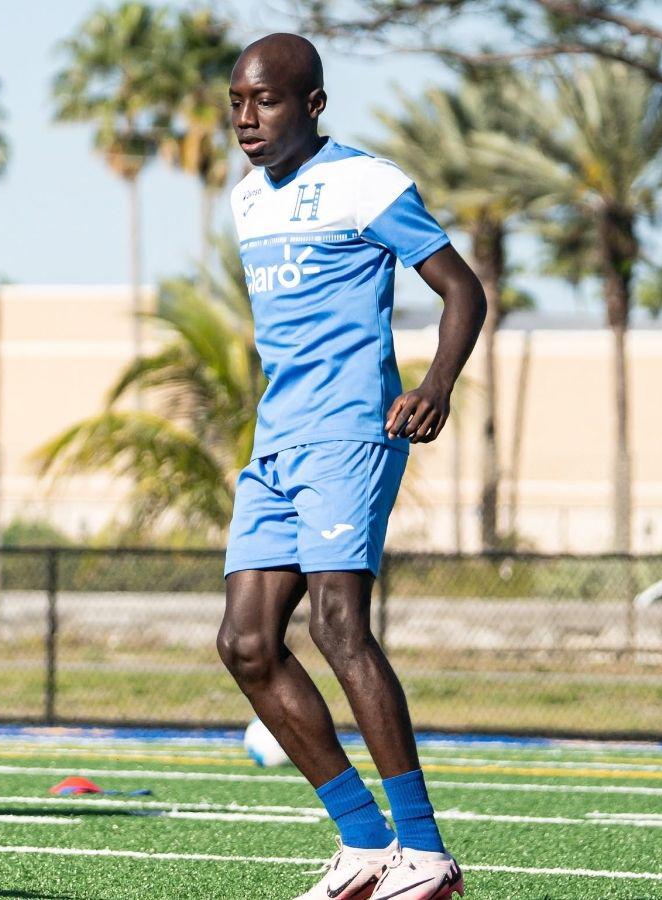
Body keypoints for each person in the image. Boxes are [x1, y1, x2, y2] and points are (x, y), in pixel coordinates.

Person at [217, 32, 486, 900]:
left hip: (349, 435)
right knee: (248, 644)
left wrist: (435, 383)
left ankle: (425, 852)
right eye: (237, 102)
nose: (248, 118)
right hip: (276, 443)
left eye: (266, 100)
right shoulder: (246, 201)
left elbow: (463, 289)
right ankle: (366, 847)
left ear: (313, 104)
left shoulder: (366, 182)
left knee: (338, 626)